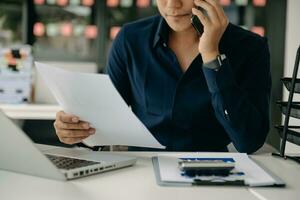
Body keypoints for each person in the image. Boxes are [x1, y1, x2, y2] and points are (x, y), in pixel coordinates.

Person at [53, 0, 271, 153]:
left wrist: (212, 55)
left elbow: (248, 141)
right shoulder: (131, 39)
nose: (172, 6)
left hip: (211, 174)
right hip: (141, 172)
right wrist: (75, 130)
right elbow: (101, 121)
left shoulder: (250, 47)